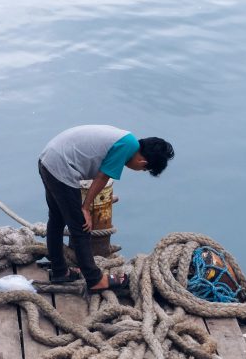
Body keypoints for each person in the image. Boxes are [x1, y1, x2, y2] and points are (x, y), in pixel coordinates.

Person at [38, 125, 174, 292]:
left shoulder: (127, 139)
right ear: (143, 162)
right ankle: (95, 280)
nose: (140, 170)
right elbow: (102, 177)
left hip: (48, 159)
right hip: (61, 167)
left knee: (57, 219)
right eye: (144, 169)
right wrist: (85, 208)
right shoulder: (126, 147)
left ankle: (60, 270)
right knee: (81, 226)